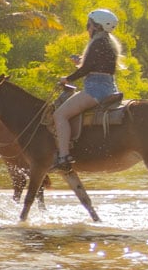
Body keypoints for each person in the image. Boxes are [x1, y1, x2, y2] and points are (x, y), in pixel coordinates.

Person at [51, 9, 126, 172]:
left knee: (60, 115)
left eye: (89, 25)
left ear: (97, 27)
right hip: (108, 86)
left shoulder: (98, 43)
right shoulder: (108, 43)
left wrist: (67, 79)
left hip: (95, 89)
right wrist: (80, 61)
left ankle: (63, 157)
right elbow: (95, 64)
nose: (87, 28)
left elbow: (87, 69)